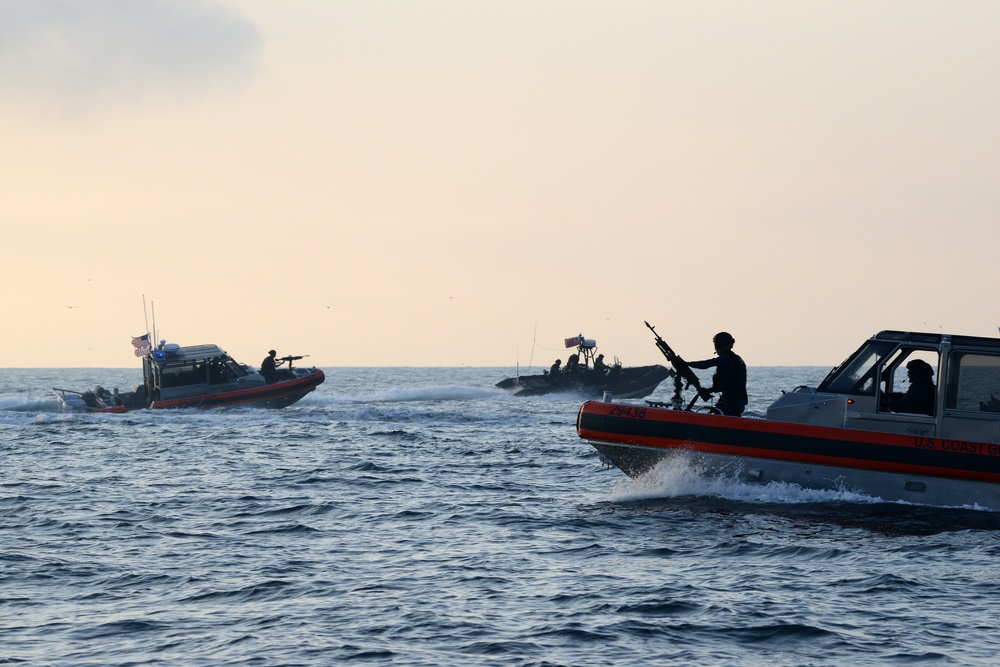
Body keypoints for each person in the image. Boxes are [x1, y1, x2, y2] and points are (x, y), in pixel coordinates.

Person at [686, 332, 748, 416]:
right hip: (734, 401)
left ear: (720, 346)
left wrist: (687, 364)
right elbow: (727, 384)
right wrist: (708, 390)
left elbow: (706, 364)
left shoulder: (726, 359)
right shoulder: (736, 359)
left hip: (732, 403)